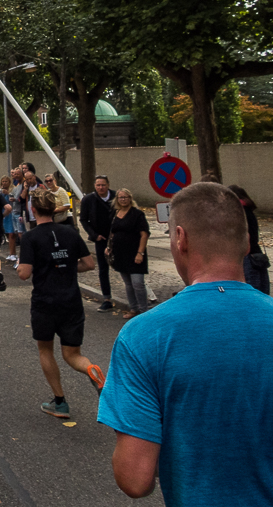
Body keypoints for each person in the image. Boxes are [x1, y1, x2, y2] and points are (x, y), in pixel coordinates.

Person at [98, 182, 273, 505]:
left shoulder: (143, 337)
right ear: (247, 242)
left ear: (180, 239)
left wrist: (133, 418)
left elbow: (135, 480)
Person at [16, 188, 106, 419]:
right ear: (54, 209)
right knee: (72, 354)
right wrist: (65, 266)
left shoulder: (31, 237)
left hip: (45, 302)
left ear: (33, 210)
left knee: (46, 350)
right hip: (71, 301)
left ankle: (60, 402)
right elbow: (89, 264)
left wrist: (23, 266)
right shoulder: (70, 232)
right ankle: (91, 369)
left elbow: (24, 274)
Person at [105, 188, 151, 319]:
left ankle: (144, 311)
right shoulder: (115, 214)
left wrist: (140, 253)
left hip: (135, 253)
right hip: (120, 254)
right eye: (120, 197)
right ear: (117, 200)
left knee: (138, 283)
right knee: (128, 284)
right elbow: (112, 232)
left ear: (130, 198)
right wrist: (109, 247)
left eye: (125, 197)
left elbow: (144, 234)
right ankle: (133, 308)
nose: (123, 199)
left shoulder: (137, 214)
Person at [78, 175, 116, 311]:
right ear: (95, 186)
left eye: (103, 185)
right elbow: (83, 219)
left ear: (108, 185)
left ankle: (134, 299)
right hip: (101, 239)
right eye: (98, 185)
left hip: (117, 238)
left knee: (123, 267)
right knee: (103, 269)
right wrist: (94, 235)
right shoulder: (89, 200)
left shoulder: (116, 197)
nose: (101, 187)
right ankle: (106, 299)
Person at [228, 184, 269, 294]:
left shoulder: (239, 213)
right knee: (262, 293)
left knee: (252, 292)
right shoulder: (249, 211)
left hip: (247, 258)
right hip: (257, 255)